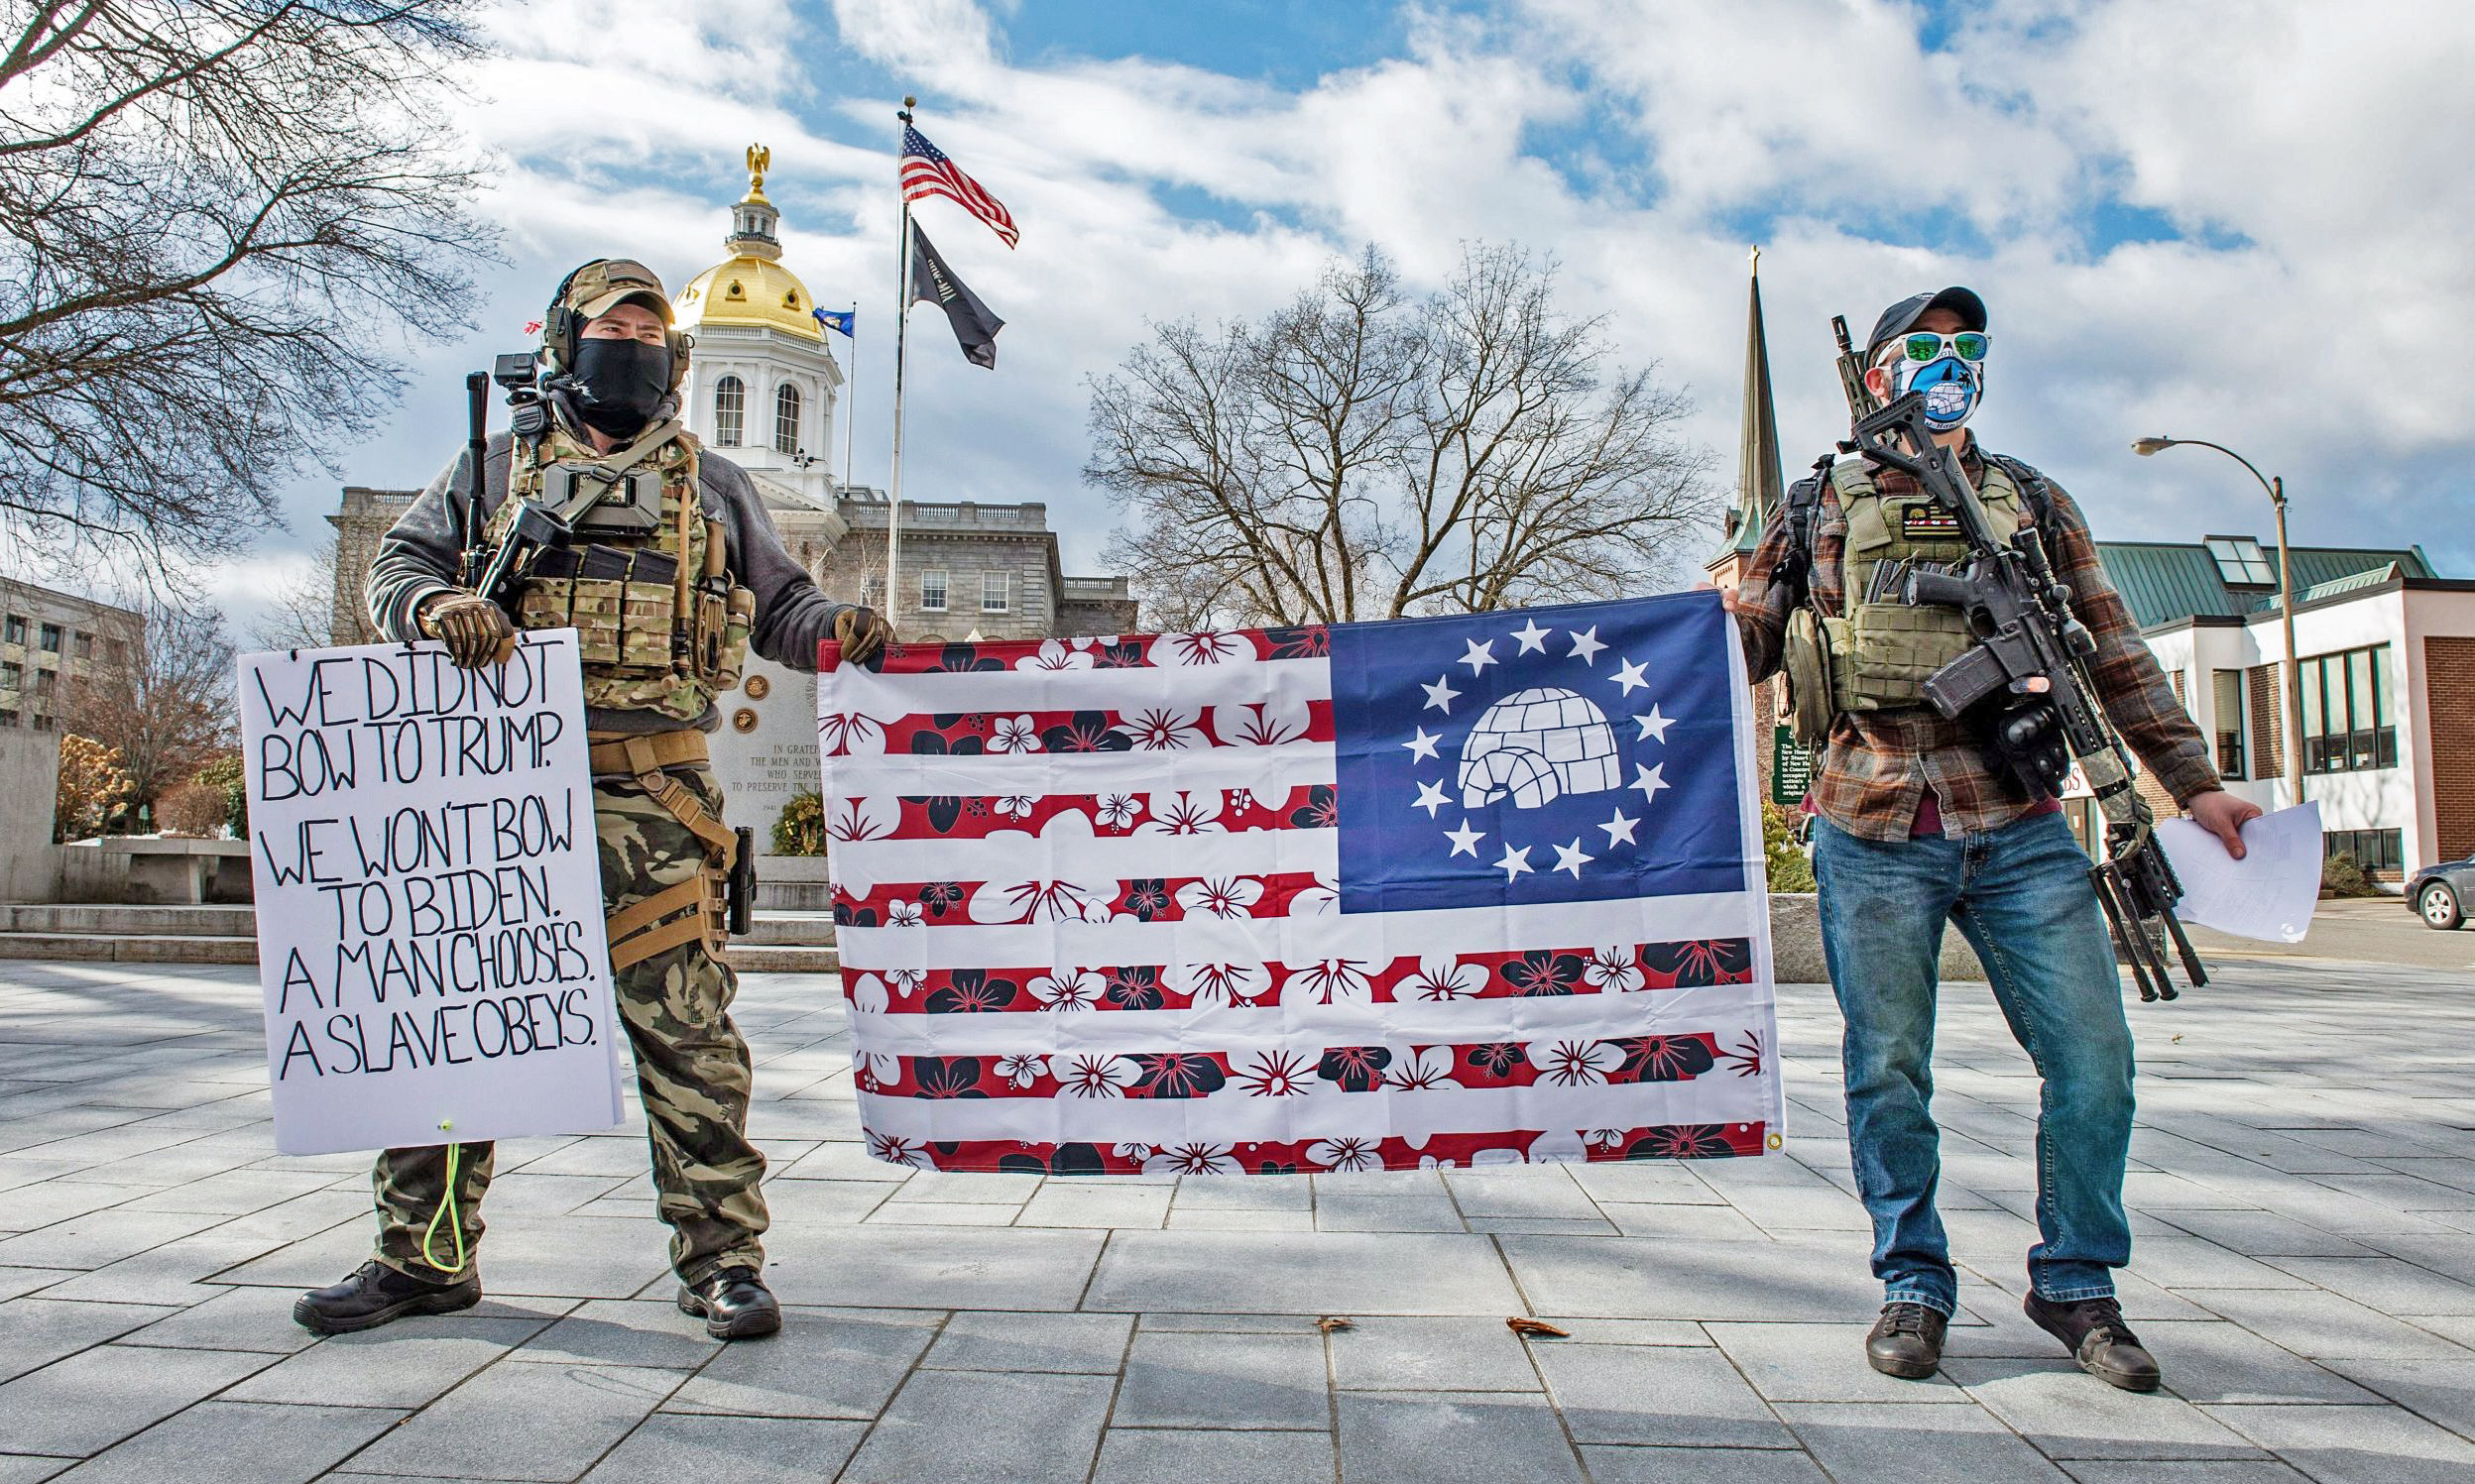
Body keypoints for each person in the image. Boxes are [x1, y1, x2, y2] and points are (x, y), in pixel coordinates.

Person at [293, 259, 891, 1341]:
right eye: (614, 329)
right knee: (455, 1025)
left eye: (651, 335)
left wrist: (837, 630)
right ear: (567, 344)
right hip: (495, 797)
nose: (634, 349)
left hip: (655, 802)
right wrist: (432, 607)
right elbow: (394, 568)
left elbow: (784, 606)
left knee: (688, 1036)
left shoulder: (715, 485)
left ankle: (723, 1261)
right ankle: (424, 1258)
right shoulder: (492, 467)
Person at [1720, 285, 2259, 1391]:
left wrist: (2195, 786)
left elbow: (2114, 649)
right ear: (1877, 373)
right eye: (1926, 347)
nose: (1950, 363)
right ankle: (1913, 1283)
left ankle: (2076, 1282)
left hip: (2019, 820)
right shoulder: (1815, 503)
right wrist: (1698, 624)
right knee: (1888, 1068)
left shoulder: (2034, 500)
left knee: (2095, 1061)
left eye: (1968, 345)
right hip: (1870, 820)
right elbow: (1750, 647)